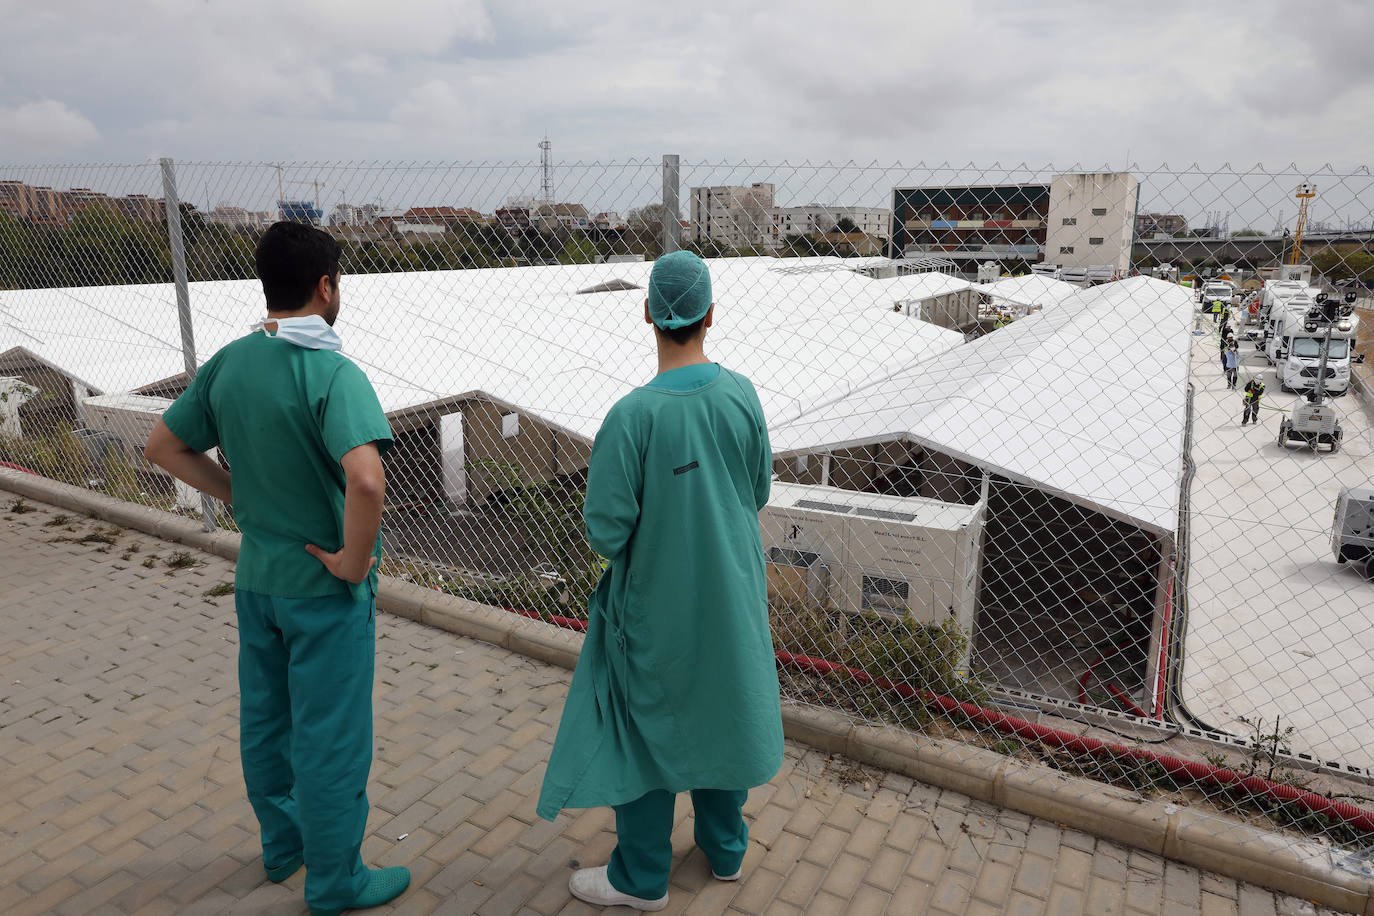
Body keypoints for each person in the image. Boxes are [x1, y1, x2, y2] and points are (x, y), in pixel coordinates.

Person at [144, 221, 408, 916]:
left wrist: (237, 494)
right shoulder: (331, 373)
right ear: (326, 287)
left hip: (258, 581)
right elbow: (368, 481)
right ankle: (336, 881)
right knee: (331, 737)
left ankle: (283, 846)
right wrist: (354, 562)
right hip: (323, 590)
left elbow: (164, 445)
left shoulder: (232, 362)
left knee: (267, 721)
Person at [536, 251, 782, 911]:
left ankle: (641, 878)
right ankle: (725, 850)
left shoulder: (630, 417)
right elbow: (755, 489)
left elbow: (607, 534)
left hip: (656, 607)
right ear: (710, 316)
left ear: (648, 313)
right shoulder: (743, 396)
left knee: (644, 729)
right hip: (731, 592)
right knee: (722, 710)